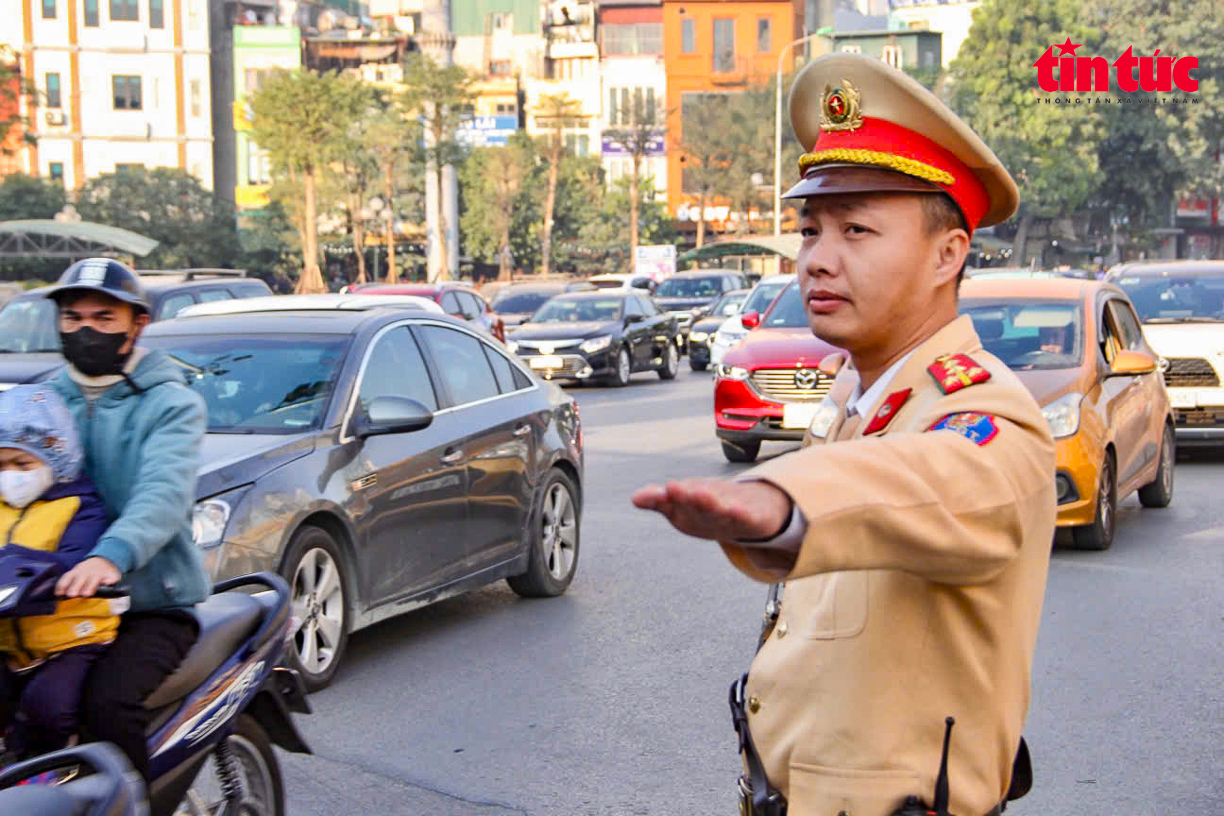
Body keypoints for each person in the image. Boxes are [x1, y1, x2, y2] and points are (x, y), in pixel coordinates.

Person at [633, 54, 1056, 816]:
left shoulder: (991, 411)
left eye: (857, 230)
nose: (818, 260)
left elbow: (937, 479)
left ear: (947, 253)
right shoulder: (855, 392)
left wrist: (781, 500)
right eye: (810, 229)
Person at [43, 258, 211, 784]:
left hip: (150, 603)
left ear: (137, 323)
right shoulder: (42, 401)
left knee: (107, 707)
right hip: (49, 602)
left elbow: (162, 494)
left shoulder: (171, 403)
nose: (84, 329)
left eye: (102, 317)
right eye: (72, 318)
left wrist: (108, 556)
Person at [0, 384, 120, 762]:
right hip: (11, 641)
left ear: (57, 457)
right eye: (0, 465)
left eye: (23, 464)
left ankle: (51, 769)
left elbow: (75, 559)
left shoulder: (79, 506)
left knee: (48, 707)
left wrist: (14, 565)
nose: (10, 475)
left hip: (71, 637)